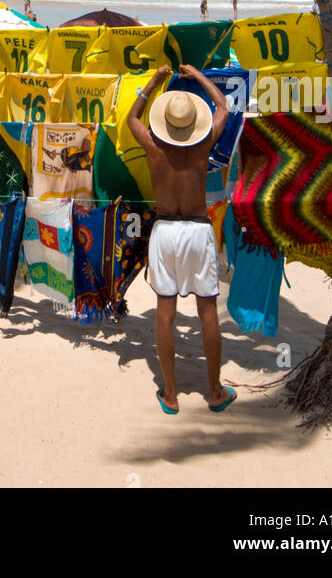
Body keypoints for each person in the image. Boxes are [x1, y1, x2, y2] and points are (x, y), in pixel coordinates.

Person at [126, 64, 236, 415]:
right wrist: (198, 78)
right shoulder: (203, 145)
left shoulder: (152, 145)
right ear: (192, 124)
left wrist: (156, 80)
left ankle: (170, 394)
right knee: (207, 310)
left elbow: (132, 117)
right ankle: (215, 391)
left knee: (165, 311)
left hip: (165, 231)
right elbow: (223, 107)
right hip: (197, 230)